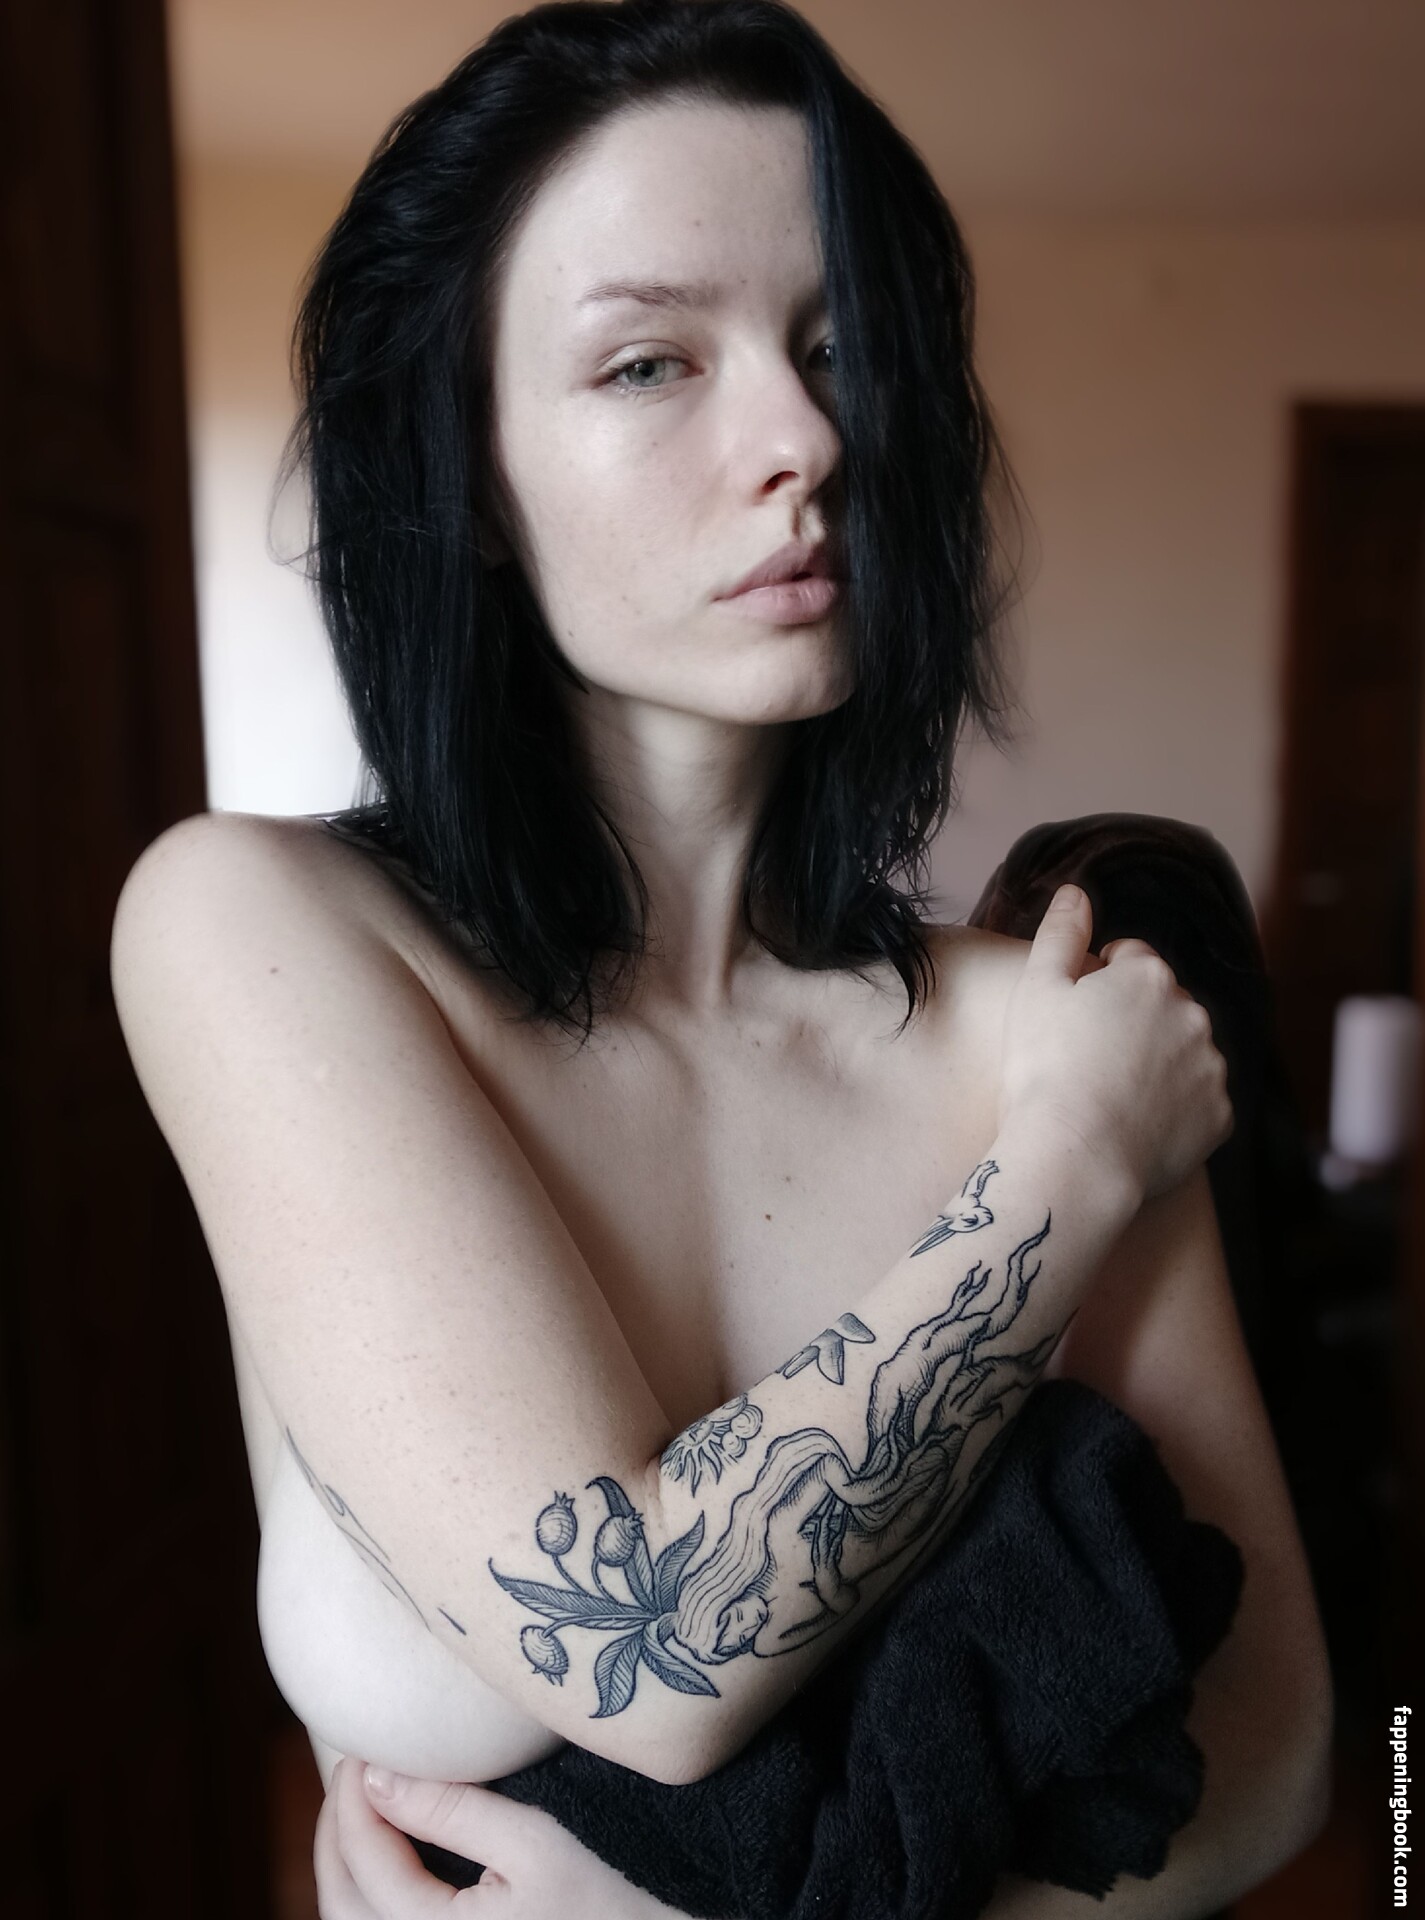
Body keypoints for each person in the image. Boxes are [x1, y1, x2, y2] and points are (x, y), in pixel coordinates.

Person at [109, 1, 1333, 1912]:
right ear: (466, 472)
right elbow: (652, 1653)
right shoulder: (259, 933)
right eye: (647, 362)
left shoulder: (1035, 1027)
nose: (803, 438)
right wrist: (1068, 1172)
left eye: (838, 350)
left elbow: (1291, 1759)